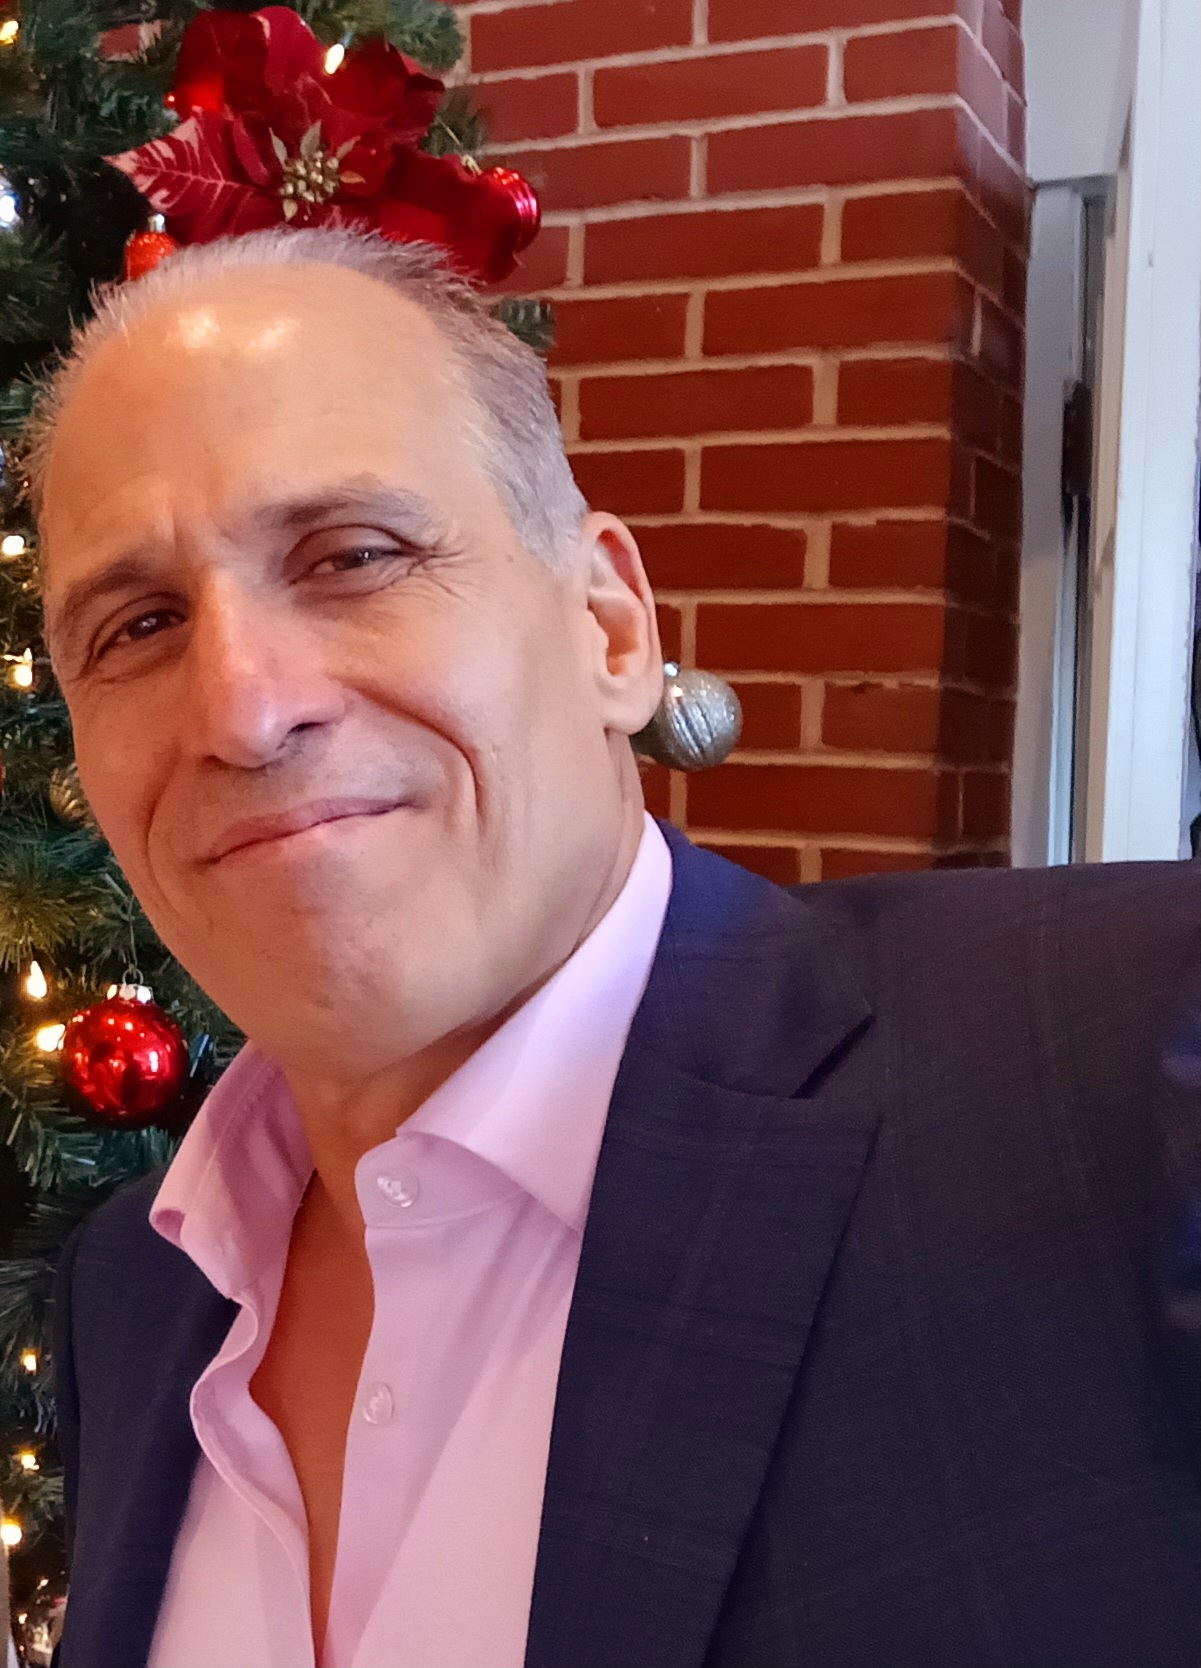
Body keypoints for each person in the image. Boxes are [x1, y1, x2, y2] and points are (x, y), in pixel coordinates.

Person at [33, 228, 1197, 1668]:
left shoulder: (1122, 1080)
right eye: (138, 625)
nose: (244, 709)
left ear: (610, 628)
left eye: (352, 556)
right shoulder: (134, 1296)